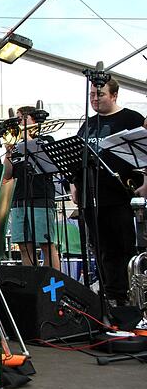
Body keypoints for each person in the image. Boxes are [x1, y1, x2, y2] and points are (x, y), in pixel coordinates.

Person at [72, 79, 144, 305]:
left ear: (114, 95)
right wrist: (74, 185)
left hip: (120, 195)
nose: (94, 99)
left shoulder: (130, 118)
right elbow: (76, 157)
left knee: (122, 248)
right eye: (92, 94)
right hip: (91, 197)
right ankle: (107, 297)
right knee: (100, 248)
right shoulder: (89, 124)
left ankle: (125, 297)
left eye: (100, 94)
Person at [3, 106, 58, 269]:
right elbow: (7, 174)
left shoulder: (45, 139)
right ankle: (31, 284)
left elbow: (51, 164)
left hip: (41, 195)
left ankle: (52, 286)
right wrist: (8, 152)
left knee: (46, 244)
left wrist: (25, 137)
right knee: (24, 245)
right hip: (19, 198)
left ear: (34, 120)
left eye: (22, 119)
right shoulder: (15, 145)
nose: (19, 123)